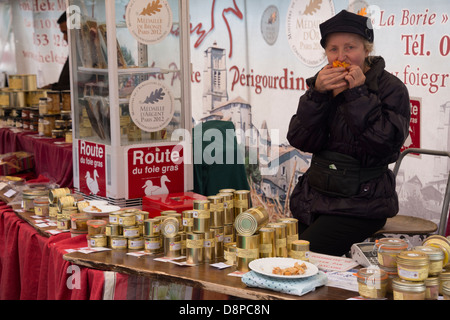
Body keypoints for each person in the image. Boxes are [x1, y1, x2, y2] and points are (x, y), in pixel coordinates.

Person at [287, 10, 411, 256]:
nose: (341, 57)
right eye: (333, 49)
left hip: (362, 205)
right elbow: (300, 138)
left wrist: (357, 94)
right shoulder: (321, 85)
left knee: (303, 257)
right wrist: (317, 95)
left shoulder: (391, 89)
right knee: (281, 255)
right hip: (316, 198)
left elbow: (385, 146)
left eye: (350, 47)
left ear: (367, 50)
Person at [45, 12, 70, 90]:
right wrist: (51, 87)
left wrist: (53, 88)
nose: (64, 38)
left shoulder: (88, 55)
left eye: (66, 33)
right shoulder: (74, 54)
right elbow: (66, 83)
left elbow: (78, 87)